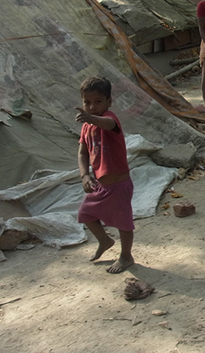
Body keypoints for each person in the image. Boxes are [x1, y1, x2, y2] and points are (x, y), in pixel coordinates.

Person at [75, 76, 134, 274]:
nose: (91, 107)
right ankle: (104, 240)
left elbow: (108, 124)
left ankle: (126, 255)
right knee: (86, 214)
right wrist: (84, 175)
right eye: (87, 102)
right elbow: (82, 152)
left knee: (123, 223)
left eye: (97, 102)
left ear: (109, 102)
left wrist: (91, 118)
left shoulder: (110, 119)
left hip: (119, 184)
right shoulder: (86, 127)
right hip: (100, 185)